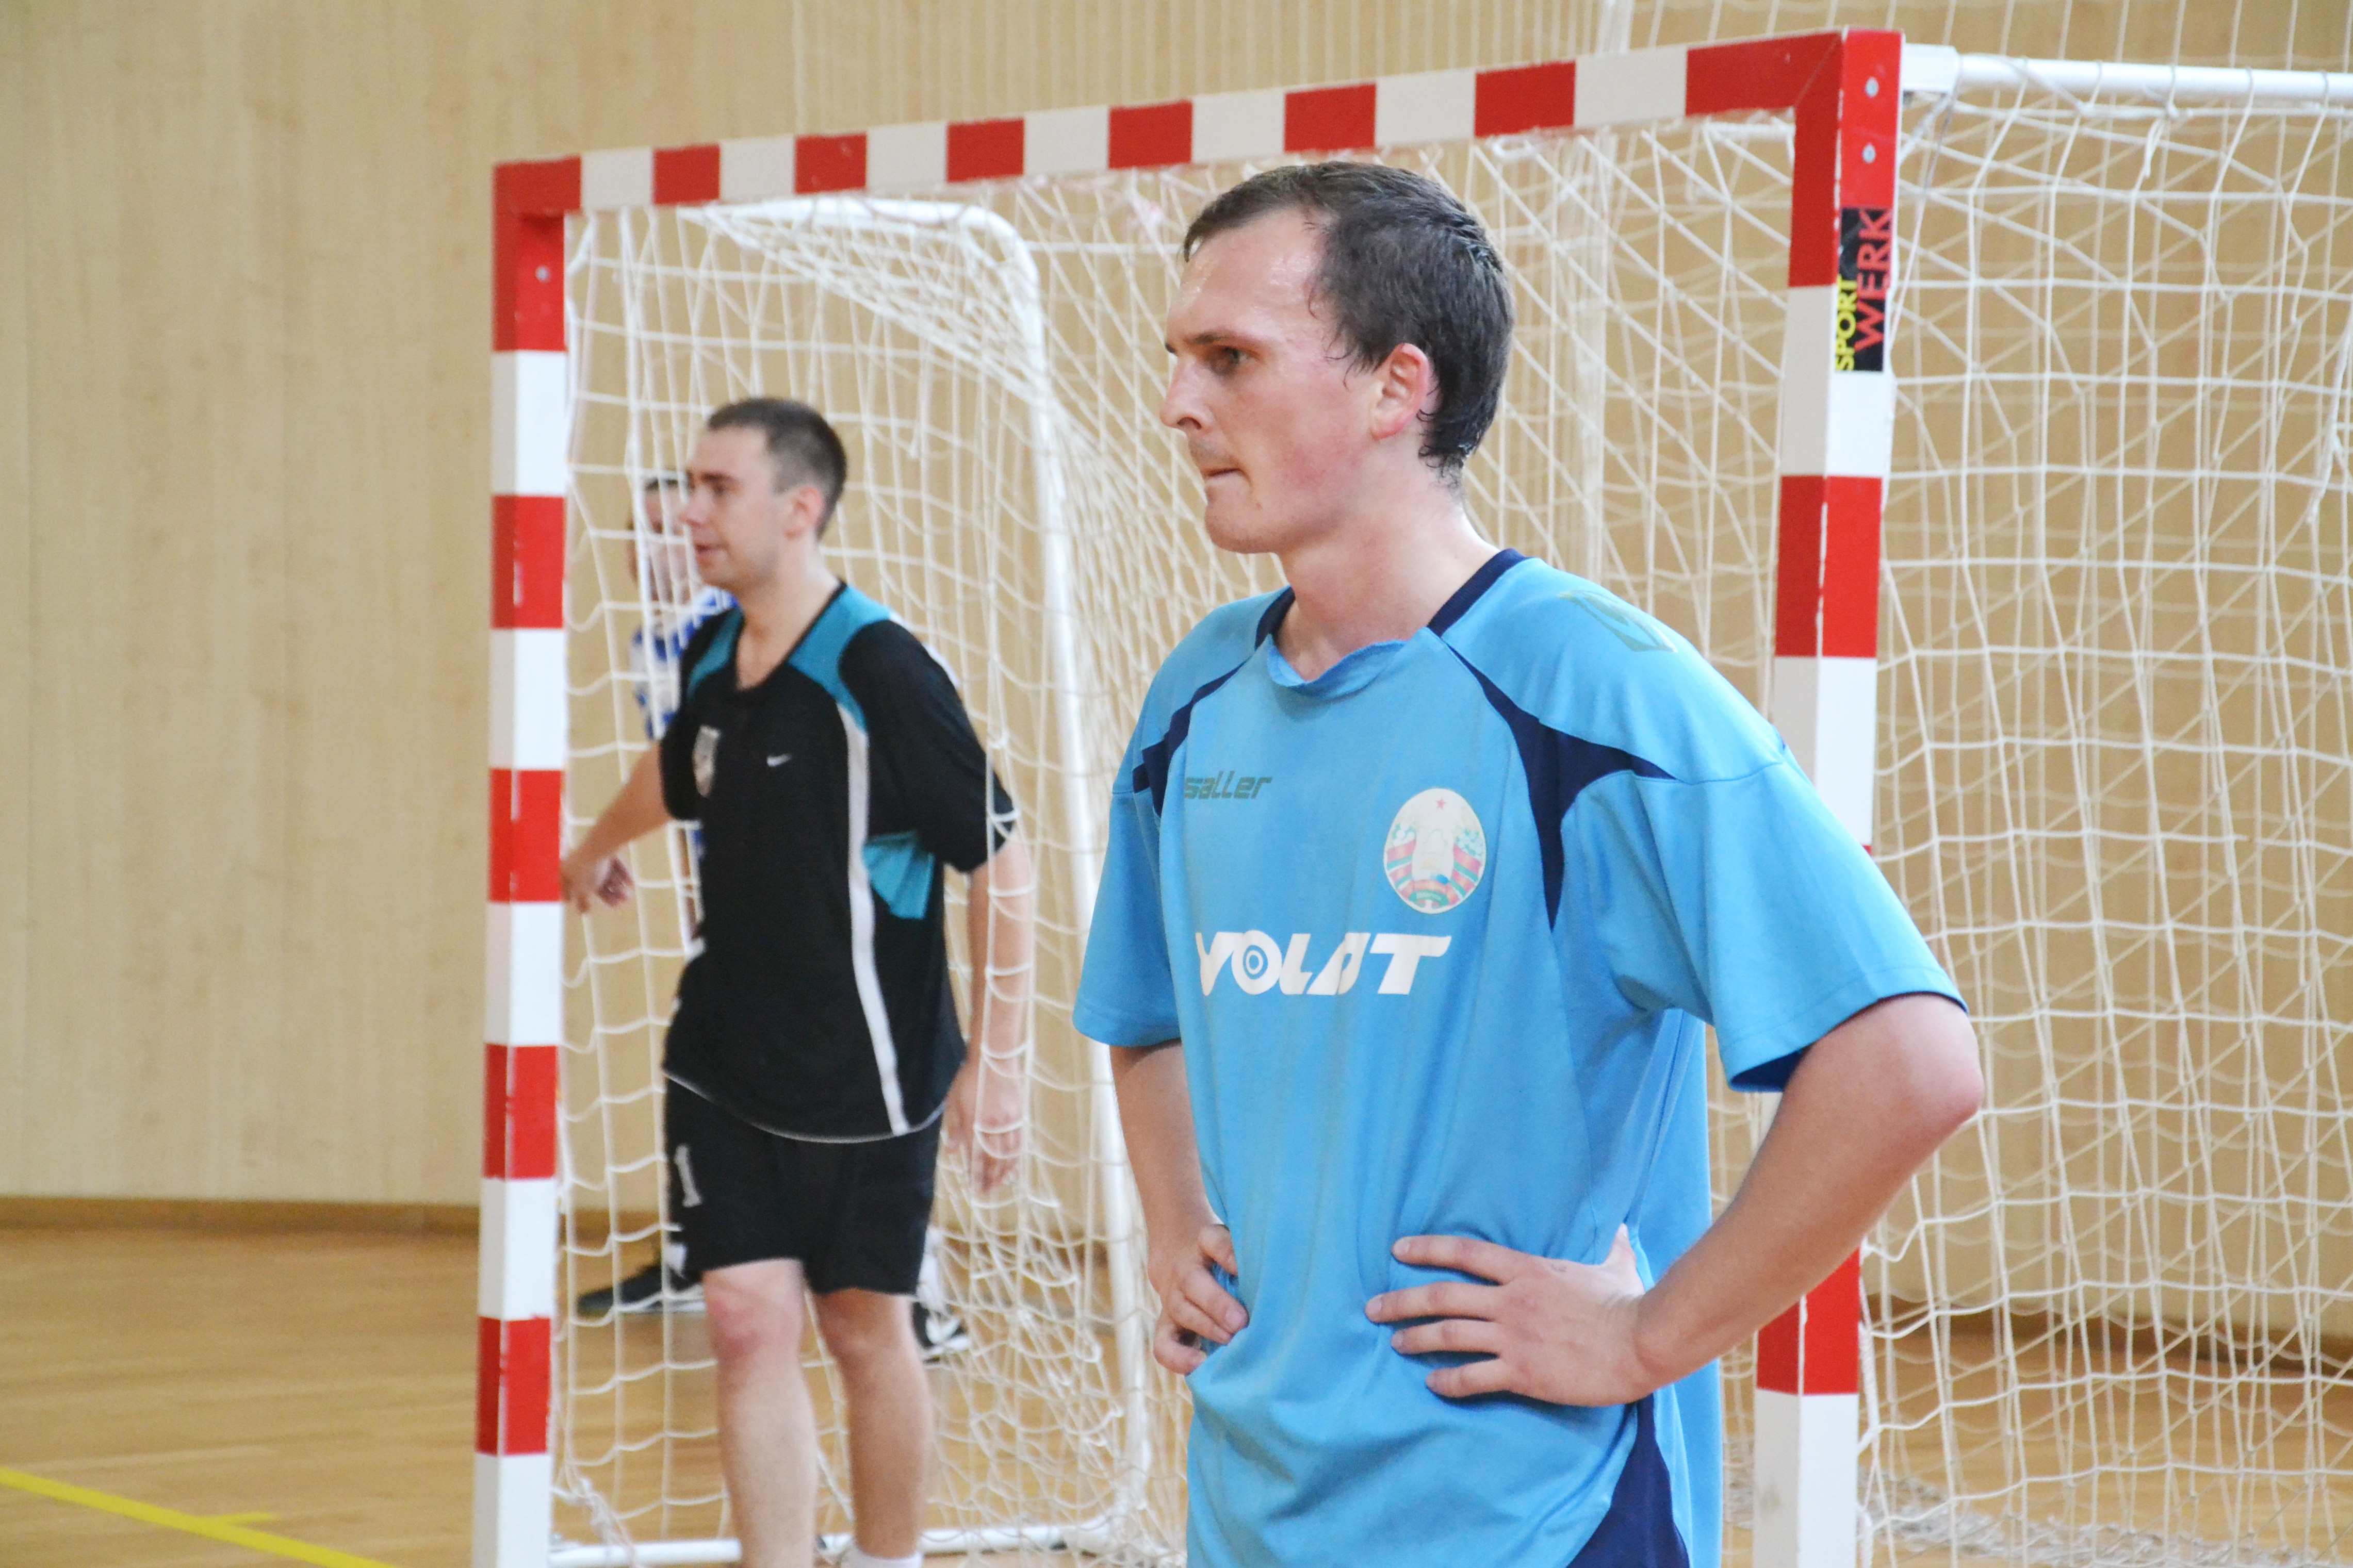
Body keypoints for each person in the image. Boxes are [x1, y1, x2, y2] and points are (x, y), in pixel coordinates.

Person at [1073, 162, 1982, 1568]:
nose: (1178, 403)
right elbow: (1145, 1012)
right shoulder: (1195, 698)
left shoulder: (1594, 693)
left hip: (1534, 1521)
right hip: (1250, 1509)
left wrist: (1646, 1337)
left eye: (1229, 359)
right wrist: (1175, 1212)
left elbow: (1909, 1063)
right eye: (1179, 358)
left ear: (1396, 388)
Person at [562, 398, 1033, 1568]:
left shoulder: (880, 669)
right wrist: (595, 844)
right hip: (722, 1056)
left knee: (863, 1331)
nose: (689, 512)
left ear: (799, 509)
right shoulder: (714, 650)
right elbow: (682, 769)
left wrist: (998, 1064)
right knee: (742, 1321)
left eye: (718, 489)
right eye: (689, 486)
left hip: (866, 1072)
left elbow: (1002, 861)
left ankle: (886, 1559)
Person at [578, 475, 974, 1361]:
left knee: (871, 1124)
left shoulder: (778, 635)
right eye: (642, 530)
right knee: (714, 1092)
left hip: (837, 925)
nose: (655, 547)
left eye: (673, 526)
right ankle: (693, 1255)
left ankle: (920, 1300)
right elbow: (689, 777)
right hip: (741, 913)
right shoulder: (666, 643)